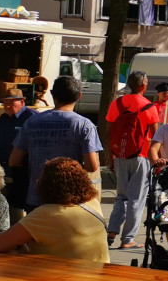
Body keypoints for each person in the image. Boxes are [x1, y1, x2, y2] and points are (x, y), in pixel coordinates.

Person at [9, 75, 101, 211]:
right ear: (79, 96)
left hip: (36, 198)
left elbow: (14, 161)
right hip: (69, 199)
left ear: (52, 94)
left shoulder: (31, 122)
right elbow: (92, 166)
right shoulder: (84, 125)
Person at [105, 70, 161, 249]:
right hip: (141, 156)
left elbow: (110, 131)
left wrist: (112, 156)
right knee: (136, 199)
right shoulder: (149, 106)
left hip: (120, 155)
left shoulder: (117, 103)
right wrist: (157, 160)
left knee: (121, 196)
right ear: (144, 85)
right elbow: (156, 137)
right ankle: (128, 239)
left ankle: (112, 231)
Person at [0, 91, 32, 218]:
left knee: (20, 206)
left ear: (22, 102)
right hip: (4, 171)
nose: (7, 106)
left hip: (24, 171)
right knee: (3, 204)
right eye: (5, 103)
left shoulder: (32, 118)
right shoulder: (3, 118)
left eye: (11, 103)